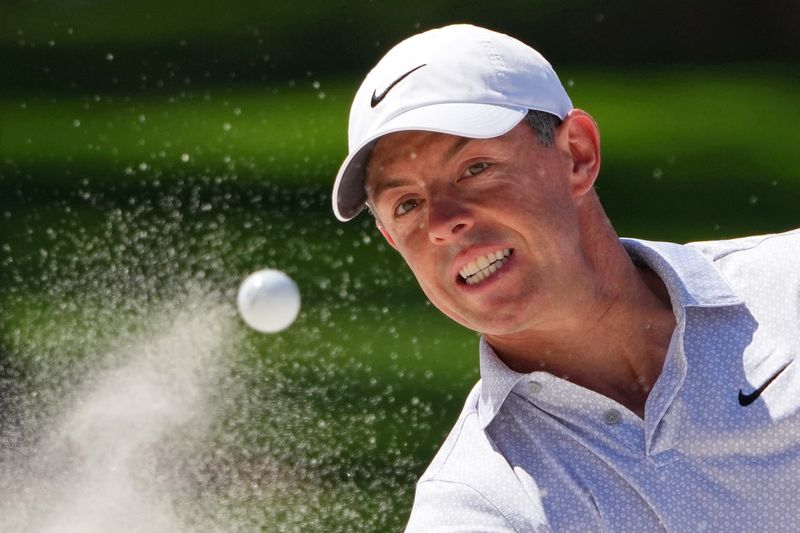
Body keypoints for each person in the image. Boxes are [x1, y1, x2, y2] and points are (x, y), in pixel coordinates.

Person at [331, 24, 800, 531]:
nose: (443, 223)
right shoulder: (477, 507)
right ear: (393, 241)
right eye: (407, 205)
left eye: (474, 168)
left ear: (577, 154)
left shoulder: (788, 286)